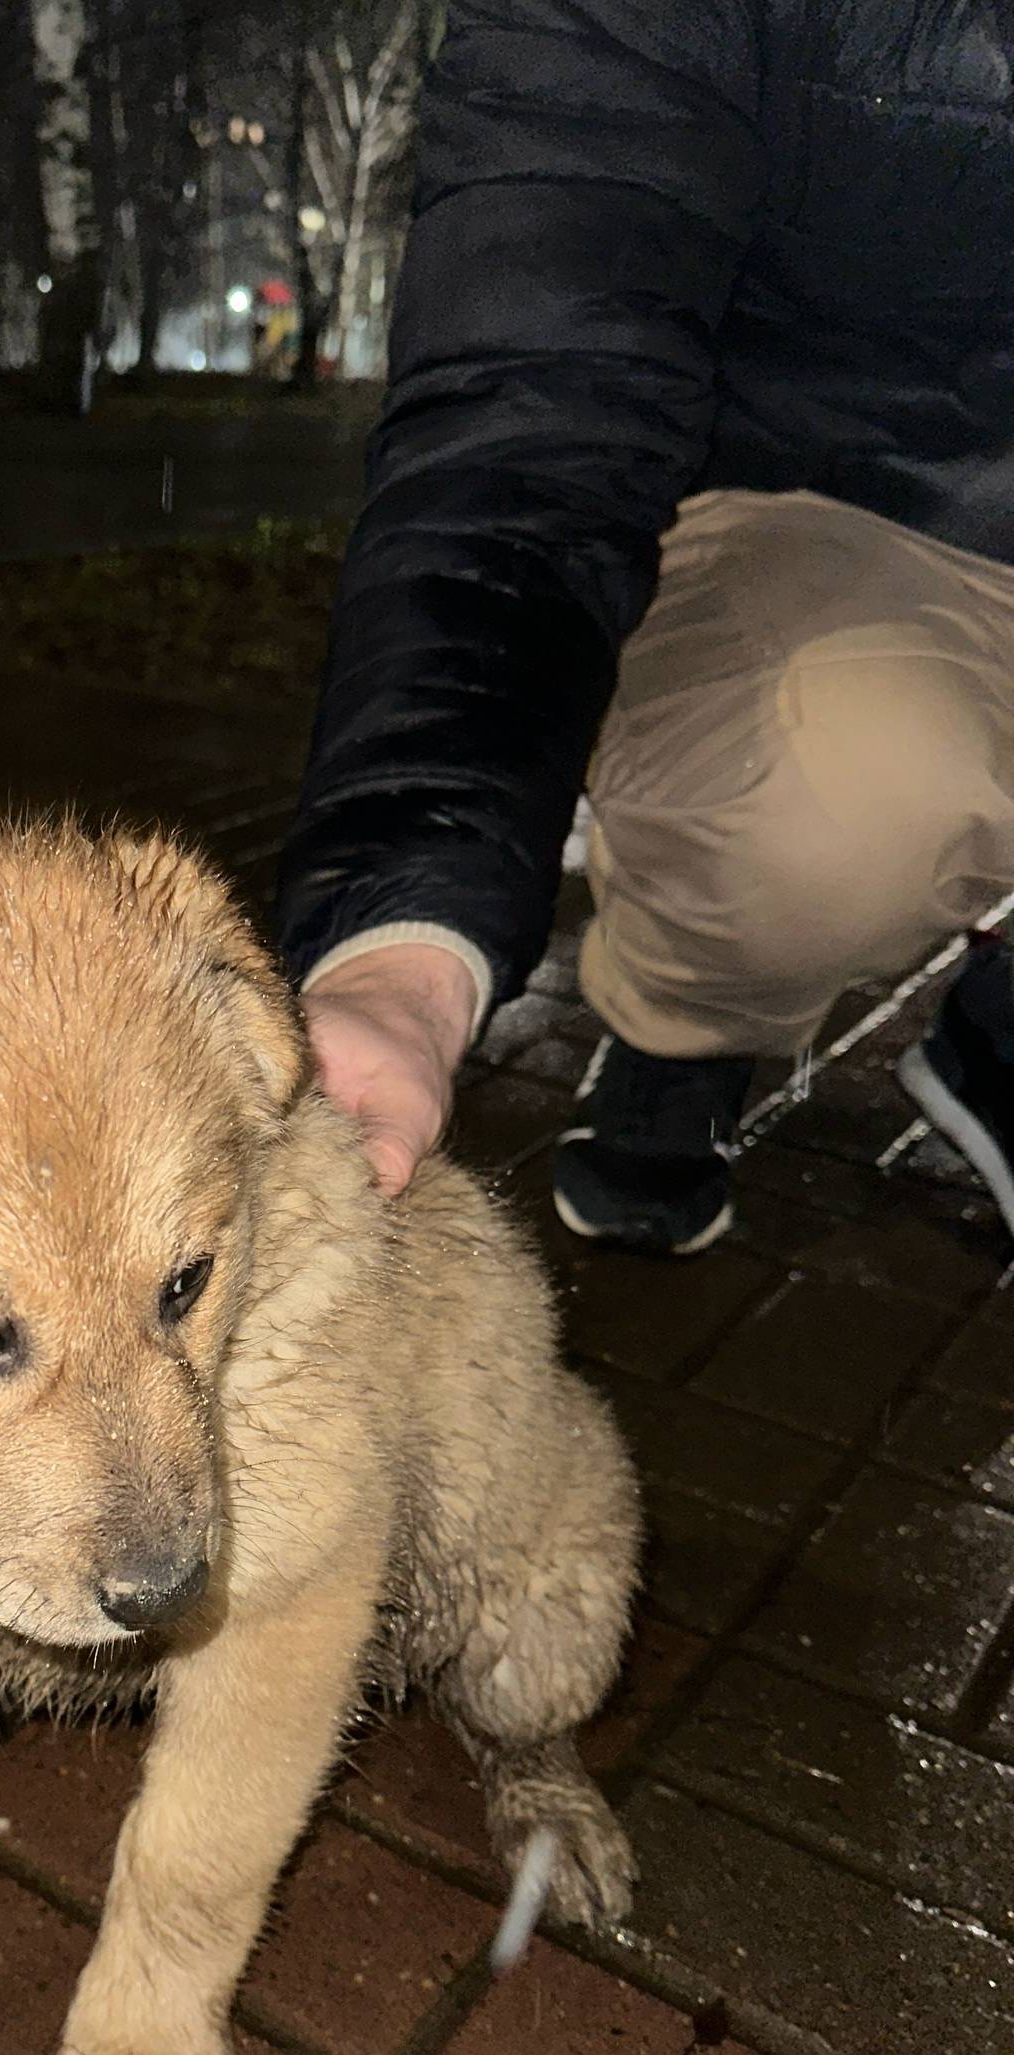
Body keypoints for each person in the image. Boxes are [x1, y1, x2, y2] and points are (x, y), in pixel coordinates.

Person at [279, 0, 1014, 1254]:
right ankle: (691, 1015)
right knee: (837, 796)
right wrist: (408, 927)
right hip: (832, 502)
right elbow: (538, 389)